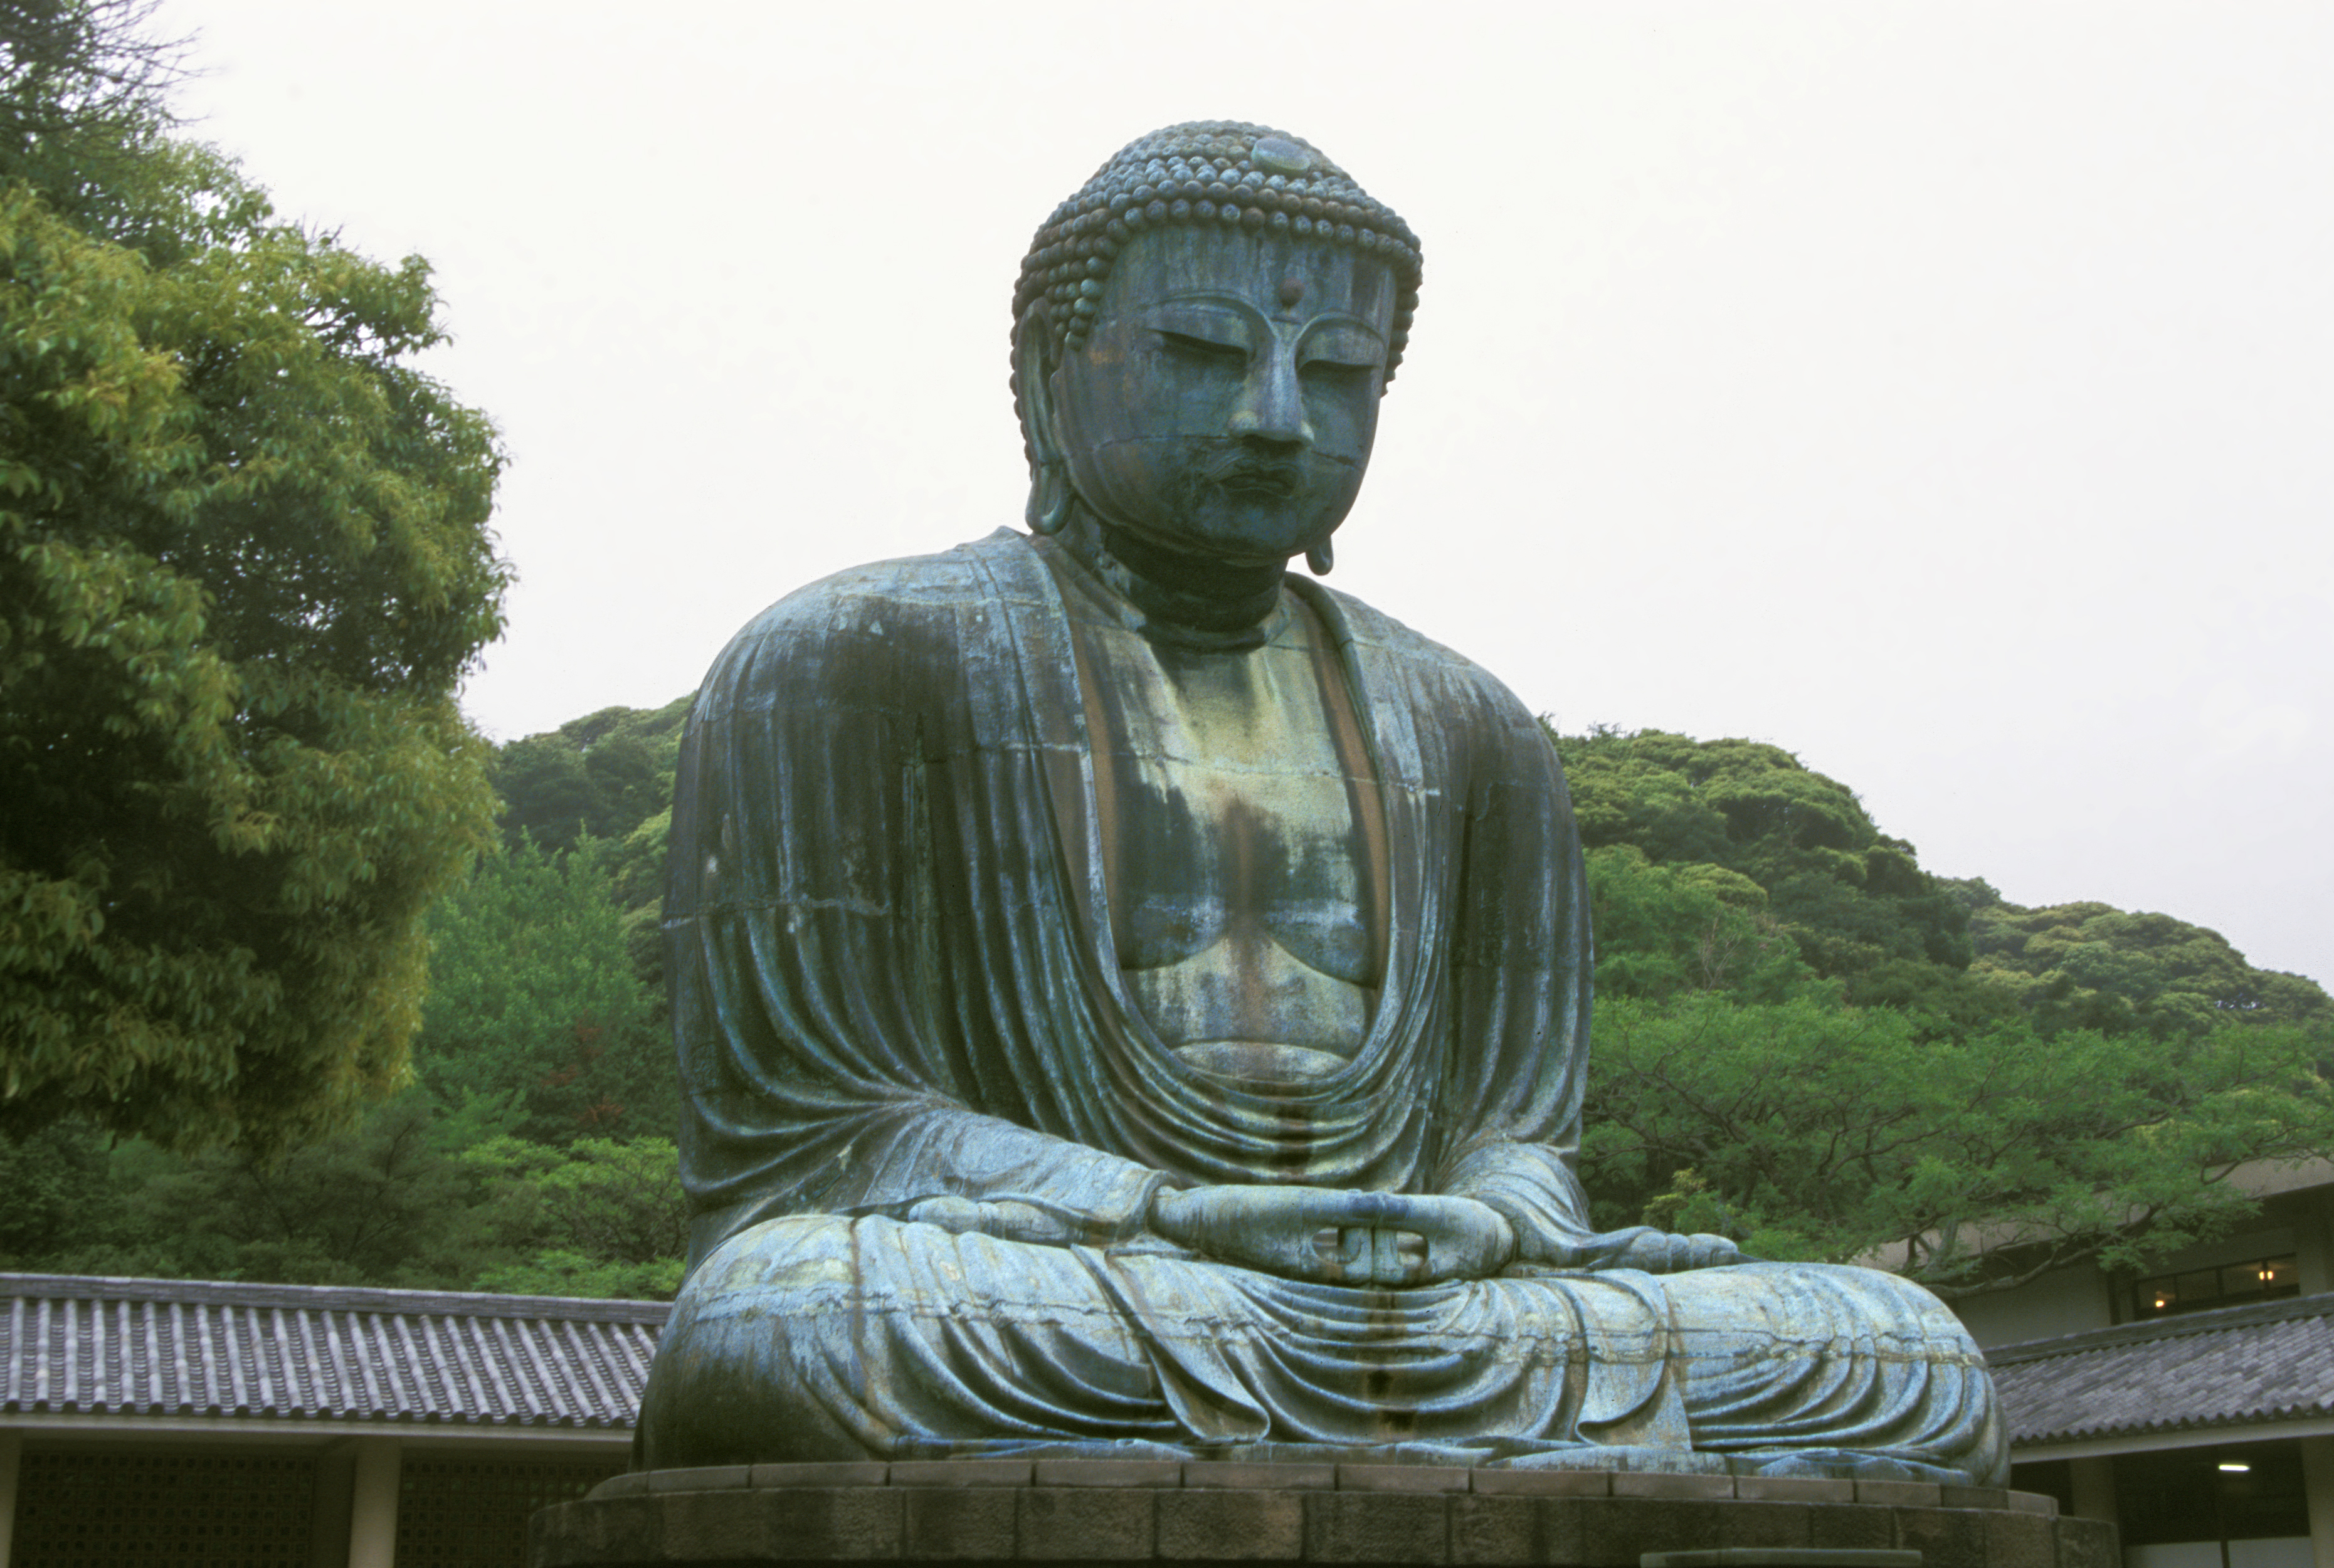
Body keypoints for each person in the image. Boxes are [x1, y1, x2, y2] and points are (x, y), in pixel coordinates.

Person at [634, 122, 2005, 1482]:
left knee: (1908, 1355)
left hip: (1425, 1305)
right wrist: (1164, 1207)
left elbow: (1515, 1138)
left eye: (1339, 371)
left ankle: (1352, 1413)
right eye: (1202, 352)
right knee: (789, 1317)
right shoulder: (847, 661)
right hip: (1070, 1280)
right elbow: (825, 1138)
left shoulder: (1472, 726)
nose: (1276, 417)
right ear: (1055, 374)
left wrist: (1481, 1221)